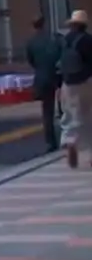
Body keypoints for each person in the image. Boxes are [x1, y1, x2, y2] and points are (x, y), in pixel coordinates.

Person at [26, 14, 65, 152]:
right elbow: (62, 54)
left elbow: (31, 61)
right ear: (44, 23)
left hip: (41, 77)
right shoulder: (54, 38)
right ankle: (67, 137)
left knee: (47, 111)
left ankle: (50, 142)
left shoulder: (31, 42)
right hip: (57, 76)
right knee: (65, 108)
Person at [59, 10, 92, 168]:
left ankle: (70, 141)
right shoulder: (88, 40)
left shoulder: (65, 40)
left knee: (70, 114)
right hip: (85, 82)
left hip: (67, 83)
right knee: (88, 116)